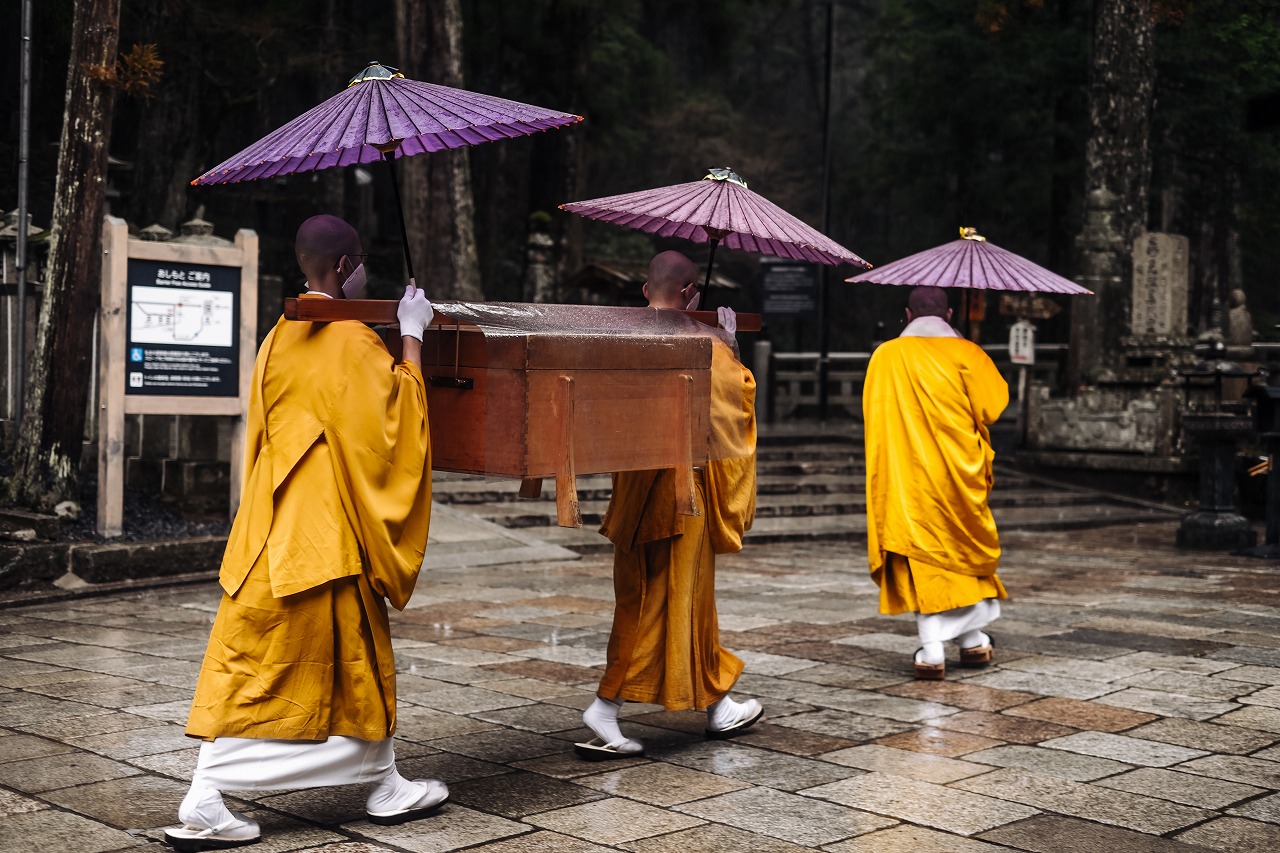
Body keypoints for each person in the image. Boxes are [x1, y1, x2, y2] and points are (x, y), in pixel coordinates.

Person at [164, 215, 445, 851]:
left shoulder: (278, 335)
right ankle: (208, 791)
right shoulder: (351, 340)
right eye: (362, 262)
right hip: (325, 528)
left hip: (271, 518)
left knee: (346, 657)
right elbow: (394, 430)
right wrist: (410, 334)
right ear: (346, 267)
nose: (365, 270)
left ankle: (383, 779)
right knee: (284, 668)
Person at [576, 250, 762, 759]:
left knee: (666, 597)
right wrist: (730, 347)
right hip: (683, 495)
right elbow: (732, 410)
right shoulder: (703, 345)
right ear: (690, 294)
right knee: (664, 598)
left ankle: (717, 702)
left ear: (644, 290)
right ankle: (605, 706)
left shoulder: (620, 340)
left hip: (635, 489)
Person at [862, 285, 1009, 680]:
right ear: (948, 315)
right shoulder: (968, 353)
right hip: (959, 475)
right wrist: (964, 351)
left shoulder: (886, 355)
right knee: (959, 553)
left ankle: (947, 647)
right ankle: (962, 642)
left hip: (908, 478)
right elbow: (993, 407)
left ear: (908, 314)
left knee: (923, 555)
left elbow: (875, 414)